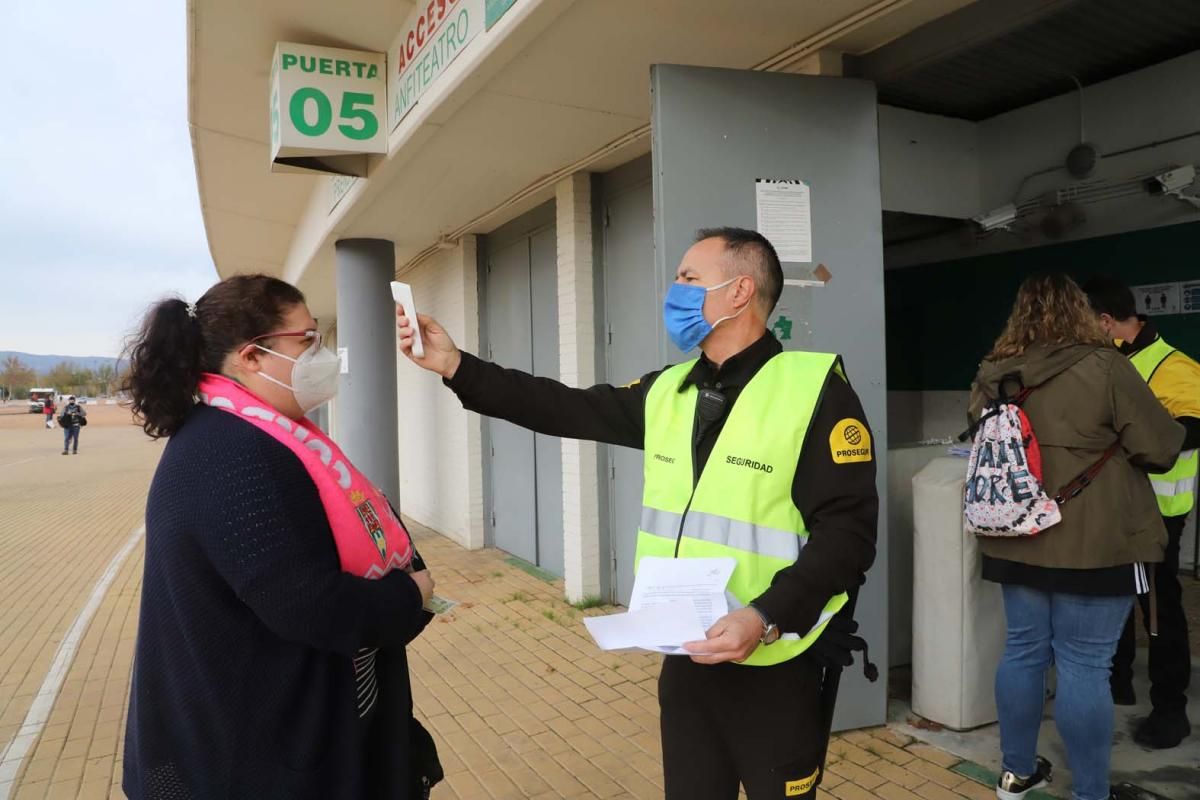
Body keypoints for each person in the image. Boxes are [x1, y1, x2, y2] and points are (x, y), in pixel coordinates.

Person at [398, 227, 878, 799]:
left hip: (775, 660)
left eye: (688, 278)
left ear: (740, 291)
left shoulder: (814, 391)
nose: (672, 291)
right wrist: (457, 365)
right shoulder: (667, 392)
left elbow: (847, 535)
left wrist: (765, 616)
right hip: (686, 660)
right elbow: (565, 408)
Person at [121, 275, 440, 800]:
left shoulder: (269, 435)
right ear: (252, 357)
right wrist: (410, 594)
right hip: (258, 762)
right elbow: (307, 604)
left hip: (302, 737)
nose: (323, 353)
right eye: (307, 340)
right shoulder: (231, 453)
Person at [969, 274, 1183, 800]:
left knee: (1022, 652)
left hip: (1013, 534)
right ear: (1082, 313)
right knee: (1085, 664)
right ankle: (1091, 793)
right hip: (1097, 540)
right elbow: (1160, 448)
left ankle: (1016, 773)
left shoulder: (994, 372)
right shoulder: (1107, 366)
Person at [1084, 276, 1199, 749]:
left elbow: (1192, 429)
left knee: (1159, 606)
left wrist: (1130, 440)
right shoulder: (1109, 363)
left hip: (1158, 510)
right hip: (1115, 505)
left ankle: (1171, 708)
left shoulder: (1173, 365)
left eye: (1086, 324)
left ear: (1107, 322)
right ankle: (1118, 680)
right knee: (1114, 592)